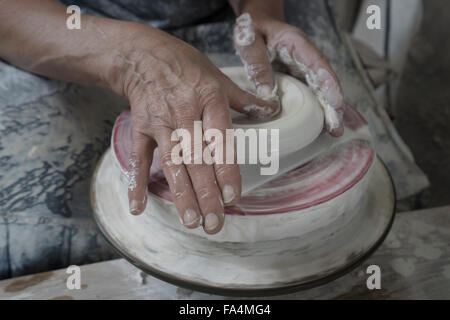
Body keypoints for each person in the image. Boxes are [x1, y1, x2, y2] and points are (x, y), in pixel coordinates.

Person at [0, 0, 346, 236]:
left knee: (344, 191)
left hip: (224, 13)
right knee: (43, 216)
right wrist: (130, 59)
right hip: (67, 24)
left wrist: (259, 12)